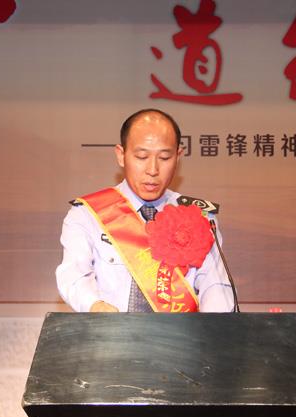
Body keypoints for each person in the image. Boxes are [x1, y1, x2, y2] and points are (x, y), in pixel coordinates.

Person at [56, 108, 234, 313]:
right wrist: (95, 306)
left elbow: (216, 285)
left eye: (164, 157)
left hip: (180, 333)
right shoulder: (88, 214)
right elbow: (73, 275)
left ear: (178, 156)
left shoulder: (199, 217)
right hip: (111, 331)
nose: (152, 170)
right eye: (141, 156)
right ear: (121, 155)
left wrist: (215, 327)